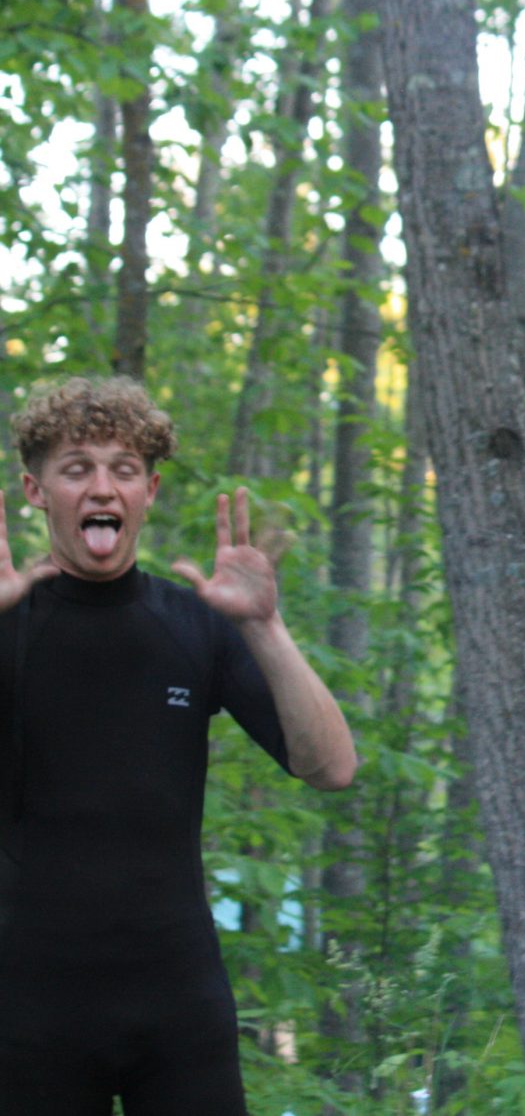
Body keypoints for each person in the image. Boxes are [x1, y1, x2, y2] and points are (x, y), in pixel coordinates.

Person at [0, 376, 358, 1115]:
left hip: (177, 1004)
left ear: (149, 490)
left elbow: (331, 767)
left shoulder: (194, 625)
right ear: (35, 491)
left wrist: (265, 627)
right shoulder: (10, 623)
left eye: (123, 470)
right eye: (77, 469)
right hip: (27, 1010)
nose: (103, 487)